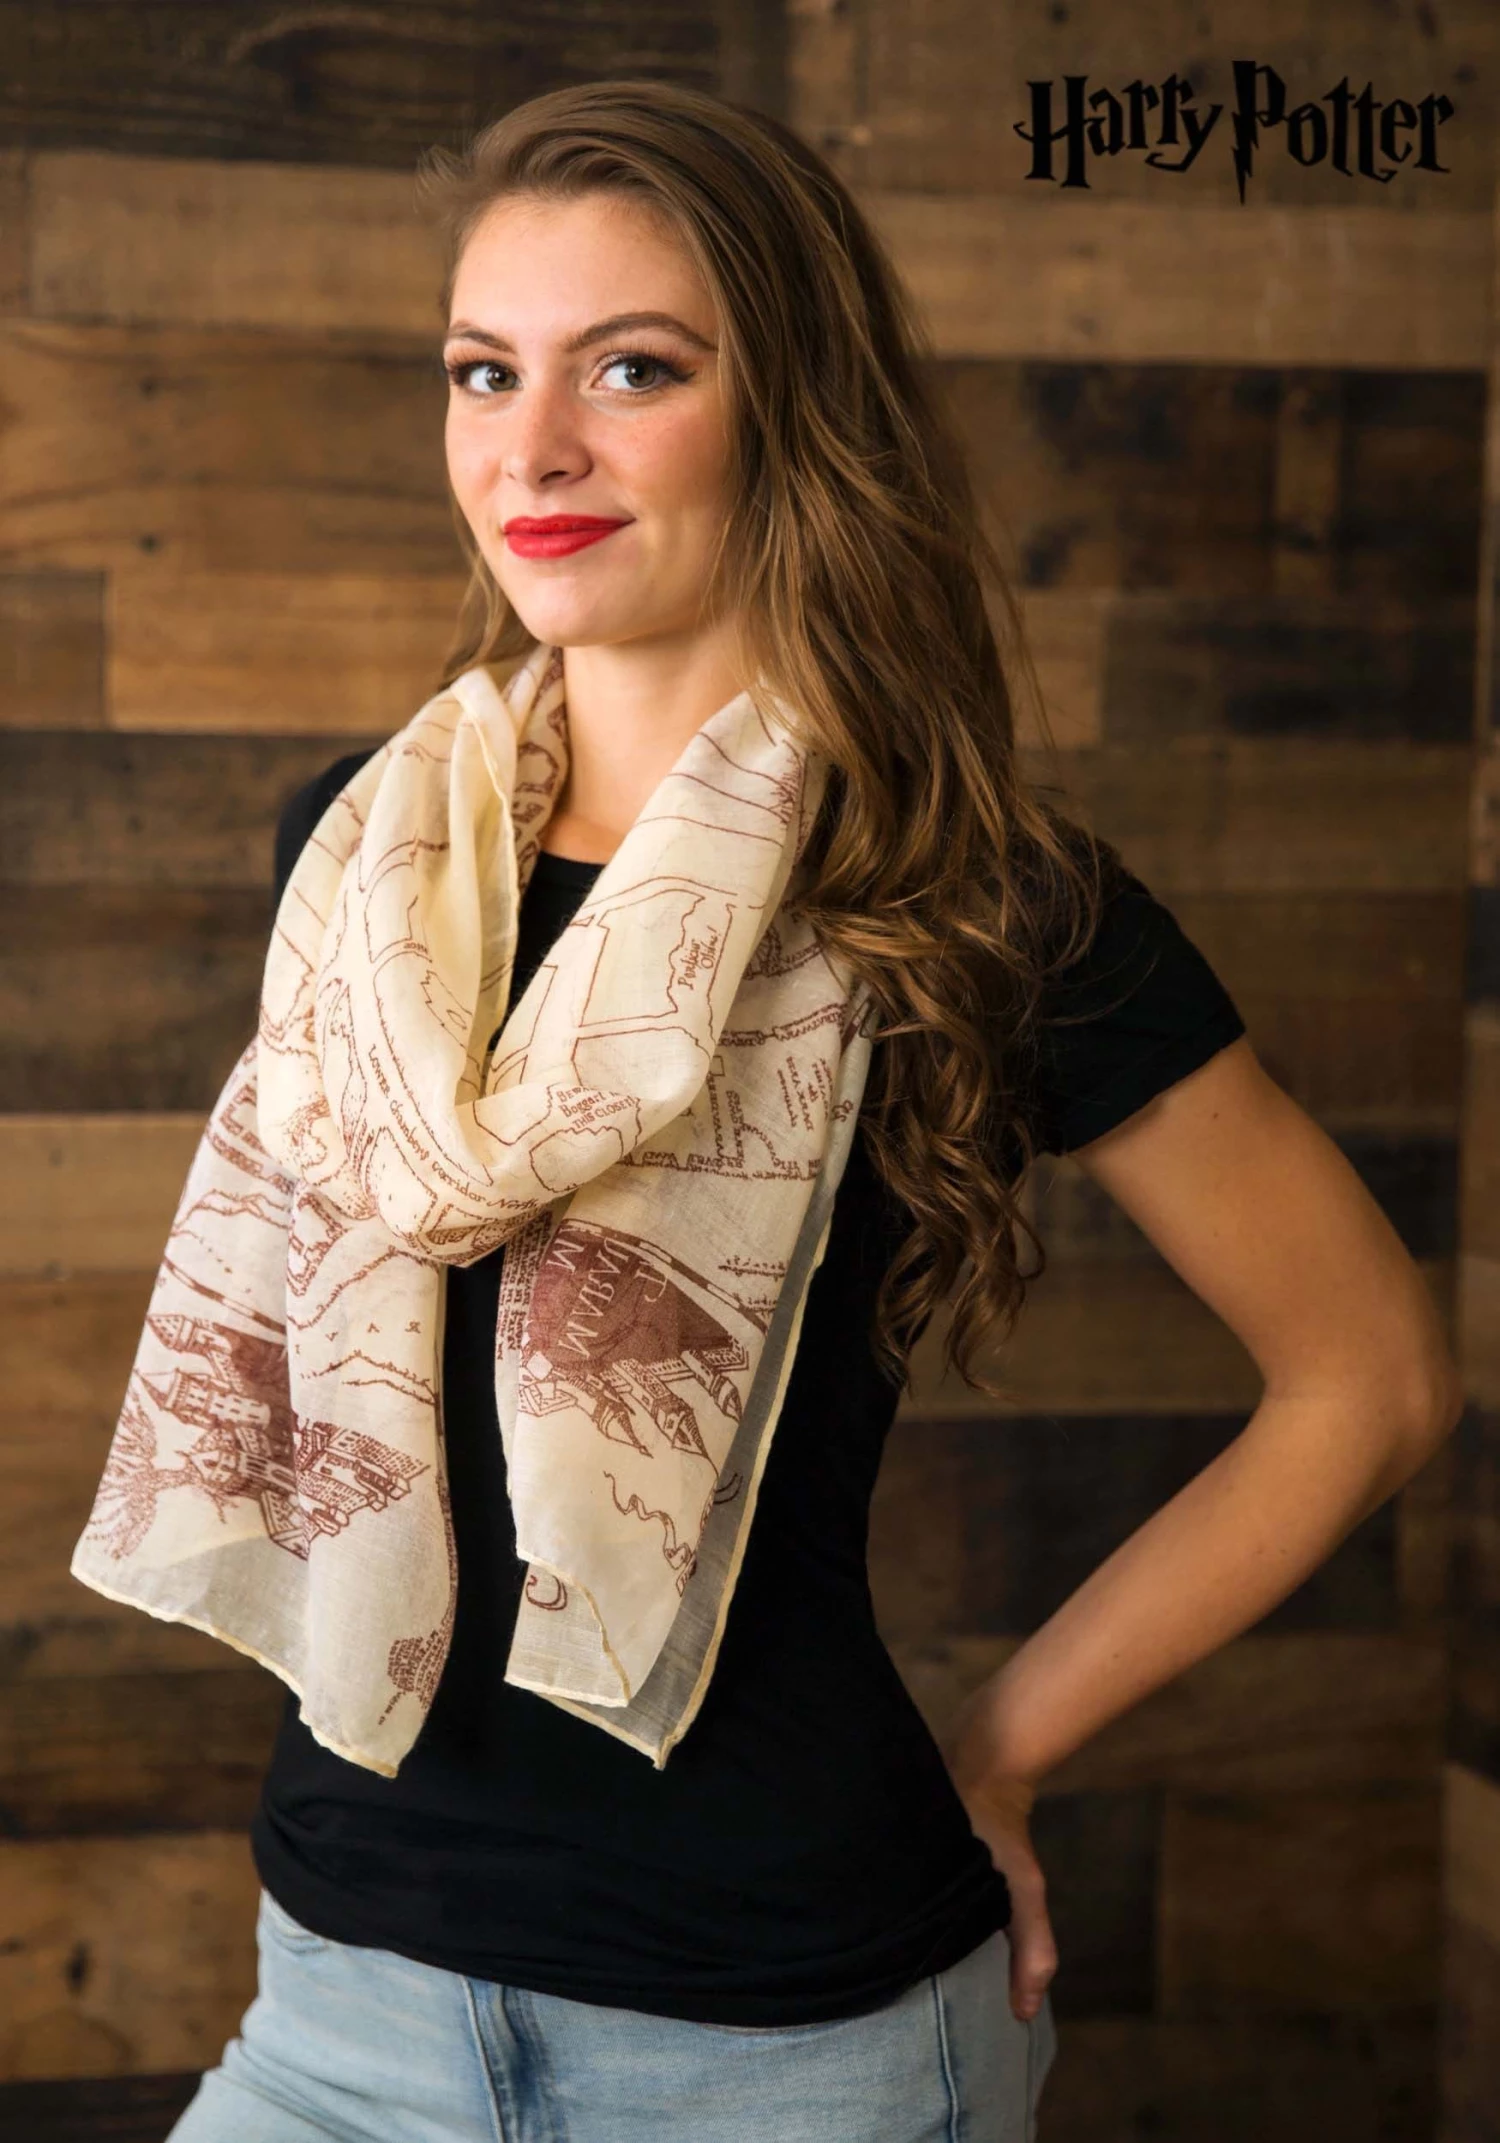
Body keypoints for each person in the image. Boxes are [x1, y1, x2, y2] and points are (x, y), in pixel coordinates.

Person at [109, 76, 1459, 2143]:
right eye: (485, 371)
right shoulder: (366, 865)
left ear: (792, 411)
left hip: (793, 2046)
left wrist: (1003, 1749)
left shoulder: (971, 900)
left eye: (632, 369)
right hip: (346, 2008)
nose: (532, 449)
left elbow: (1369, 1377)